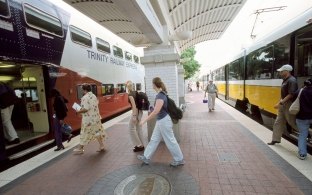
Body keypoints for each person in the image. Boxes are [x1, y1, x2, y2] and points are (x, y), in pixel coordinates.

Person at [137, 77, 184, 167]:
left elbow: (156, 111)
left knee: (170, 140)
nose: (152, 85)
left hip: (164, 121)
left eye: (152, 84)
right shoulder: (162, 94)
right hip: (161, 121)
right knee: (154, 140)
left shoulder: (160, 95)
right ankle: (146, 157)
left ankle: (179, 159)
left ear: (154, 84)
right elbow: (158, 109)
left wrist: (144, 120)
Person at [268, 64, 298, 145]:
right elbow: (284, 94)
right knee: (278, 122)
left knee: (292, 122)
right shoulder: (285, 80)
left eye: (281, 71)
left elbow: (291, 94)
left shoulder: (292, 80)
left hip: (288, 104)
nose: (280, 73)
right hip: (283, 103)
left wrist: (281, 102)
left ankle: (305, 132)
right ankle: (275, 139)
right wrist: (279, 103)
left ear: (287, 71)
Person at [74, 84, 106, 154]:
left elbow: (85, 109)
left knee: (84, 132)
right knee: (96, 132)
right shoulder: (93, 95)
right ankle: (102, 145)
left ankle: (80, 149)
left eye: (82, 89)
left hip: (88, 120)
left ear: (84, 90)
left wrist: (78, 111)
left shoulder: (85, 97)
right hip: (95, 118)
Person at [294, 78, 312, 160]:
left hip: (302, 117)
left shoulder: (300, 91)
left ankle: (302, 154)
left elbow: (293, 99)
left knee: (303, 135)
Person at [126, 81, 144, 152]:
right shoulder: (136, 92)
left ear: (127, 87)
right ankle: (142, 144)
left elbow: (134, 106)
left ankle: (139, 145)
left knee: (131, 128)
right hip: (140, 112)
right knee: (139, 129)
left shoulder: (130, 95)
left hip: (136, 112)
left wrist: (134, 116)